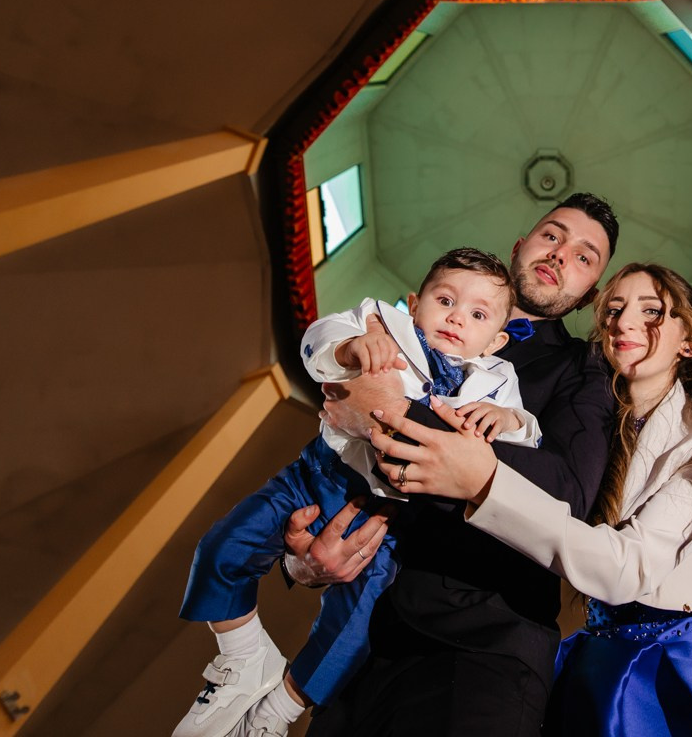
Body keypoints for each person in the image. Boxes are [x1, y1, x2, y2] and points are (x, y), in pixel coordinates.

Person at [370, 262, 692, 736]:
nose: (624, 322)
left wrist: (485, 483)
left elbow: (627, 568)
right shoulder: (590, 434)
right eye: (613, 310)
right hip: (598, 664)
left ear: (690, 342)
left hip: (680, 669)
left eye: (651, 311)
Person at [236, 193, 619, 737]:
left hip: (482, 647)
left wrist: (391, 411)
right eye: (552, 235)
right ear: (520, 246)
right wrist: (304, 561)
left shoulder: (585, 368)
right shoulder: (402, 332)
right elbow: (341, 457)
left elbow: (566, 495)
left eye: (584, 256)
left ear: (591, 293)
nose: (560, 253)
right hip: (360, 646)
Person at [173, 247, 538, 737]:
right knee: (222, 546)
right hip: (316, 476)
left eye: (477, 314)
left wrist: (508, 419)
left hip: (387, 519)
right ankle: (242, 654)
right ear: (414, 303)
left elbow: (529, 438)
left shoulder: (498, 381)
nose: (456, 318)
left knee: (351, 632)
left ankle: (277, 713)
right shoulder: (380, 322)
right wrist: (349, 349)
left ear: (496, 340)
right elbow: (319, 335)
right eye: (445, 300)